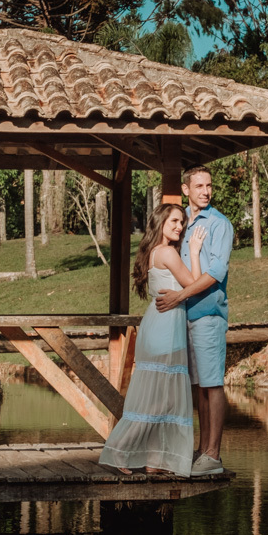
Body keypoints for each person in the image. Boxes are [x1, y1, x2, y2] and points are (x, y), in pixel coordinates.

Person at [99, 204, 207, 476]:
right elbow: (192, 284)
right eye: (174, 221)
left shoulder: (154, 251)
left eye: (182, 222)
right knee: (158, 398)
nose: (179, 226)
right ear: (160, 222)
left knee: (165, 395)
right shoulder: (168, 252)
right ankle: (120, 451)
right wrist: (194, 252)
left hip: (161, 324)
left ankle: (155, 460)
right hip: (165, 327)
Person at [155, 166, 232, 477]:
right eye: (198, 186)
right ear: (185, 189)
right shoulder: (182, 222)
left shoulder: (219, 224)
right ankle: (202, 450)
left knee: (213, 385)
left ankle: (213, 454)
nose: (205, 191)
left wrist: (179, 296)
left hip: (208, 314)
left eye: (209, 185)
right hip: (182, 316)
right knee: (199, 386)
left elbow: (215, 275)